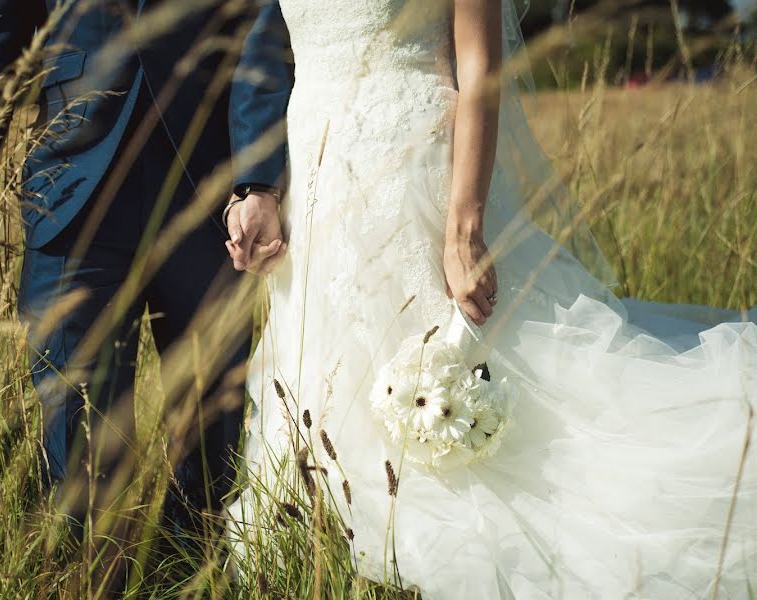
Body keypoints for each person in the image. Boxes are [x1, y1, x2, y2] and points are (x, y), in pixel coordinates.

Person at [225, 0, 757, 597]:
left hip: (415, 174)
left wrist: (464, 226)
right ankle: (335, 551)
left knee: (452, 378)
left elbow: (481, 69)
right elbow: (274, 49)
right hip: (314, 183)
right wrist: (258, 191)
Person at [0, 0, 252, 578]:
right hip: (72, 188)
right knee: (75, 407)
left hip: (211, 182)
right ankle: (87, 576)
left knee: (215, 410)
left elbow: (264, 25)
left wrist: (260, 178)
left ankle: (188, 572)